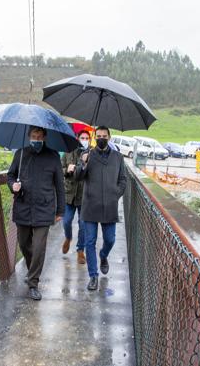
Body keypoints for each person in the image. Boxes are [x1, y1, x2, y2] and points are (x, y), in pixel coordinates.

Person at [7, 126, 65, 300]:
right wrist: (13, 185)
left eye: (39, 137)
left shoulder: (53, 157)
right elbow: (10, 176)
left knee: (39, 247)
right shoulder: (21, 154)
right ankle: (32, 267)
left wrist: (60, 210)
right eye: (34, 136)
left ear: (44, 137)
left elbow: (60, 186)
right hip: (23, 206)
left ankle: (33, 283)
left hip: (44, 208)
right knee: (24, 244)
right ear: (29, 136)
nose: (36, 139)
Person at [76, 125, 127, 291]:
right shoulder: (87, 155)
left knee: (110, 239)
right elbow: (78, 177)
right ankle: (93, 276)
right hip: (90, 205)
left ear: (109, 138)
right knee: (89, 241)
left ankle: (103, 255)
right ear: (94, 137)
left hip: (109, 206)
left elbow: (123, 180)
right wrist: (83, 164)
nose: (102, 138)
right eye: (98, 136)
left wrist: (115, 194)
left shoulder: (118, 157)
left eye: (104, 136)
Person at [61, 130, 91, 264]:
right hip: (69, 194)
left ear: (90, 140)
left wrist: (86, 164)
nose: (84, 140)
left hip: (84, 195)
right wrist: (67, 170)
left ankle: (80, 251)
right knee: (66, 221)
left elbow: (95, 174)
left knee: (83, 225)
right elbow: (59, 169)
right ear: (77, 138)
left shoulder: (92, 154)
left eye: (86, 138)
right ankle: (68, 237)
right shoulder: (68, 152)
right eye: (82, 137)